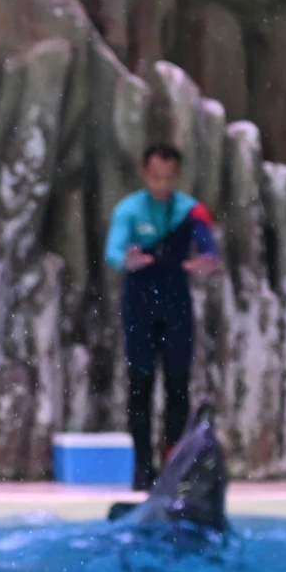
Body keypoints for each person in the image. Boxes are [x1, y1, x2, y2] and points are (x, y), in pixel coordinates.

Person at [105, 142, 222, 490]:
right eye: (156, 177)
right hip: (139, 309)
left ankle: (173, 462)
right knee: (139, 388)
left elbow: (208, 247)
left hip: (176, 310)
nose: (162, 185)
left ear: (177, 176)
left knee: (177, 387)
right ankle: (142, 468)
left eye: (169, 178)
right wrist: (127, 260)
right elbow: (113, 251)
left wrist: (207, 262)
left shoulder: (191, 210)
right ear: (144, 175)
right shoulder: (128, 210)